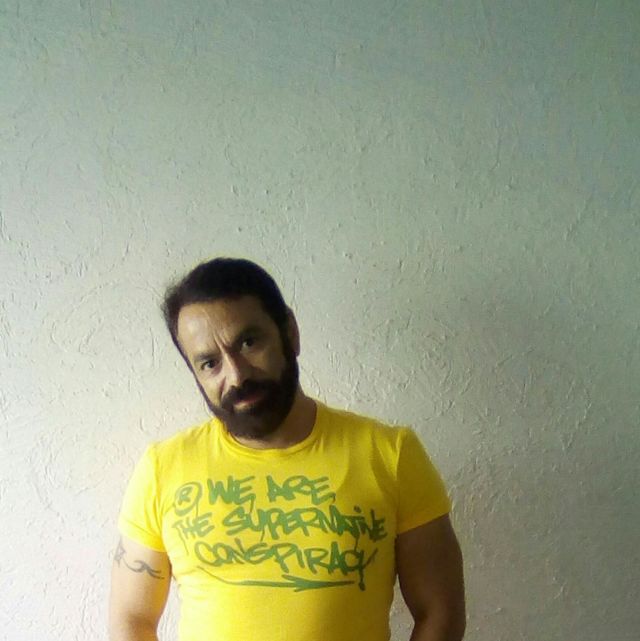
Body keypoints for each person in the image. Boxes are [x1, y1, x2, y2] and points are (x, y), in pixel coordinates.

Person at [109, 257, 465, 641]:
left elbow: (439, 612)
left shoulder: (390, 455)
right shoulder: (163, 469)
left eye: (249, 342)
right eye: (209, 363)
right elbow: (132, 618)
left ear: (290, 333)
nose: (236, 374)